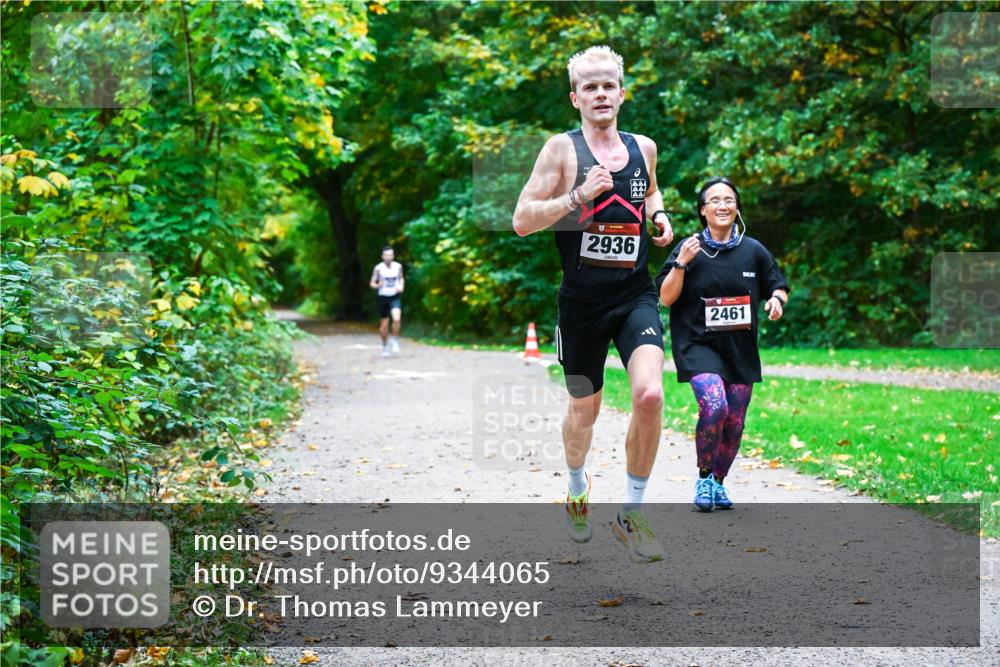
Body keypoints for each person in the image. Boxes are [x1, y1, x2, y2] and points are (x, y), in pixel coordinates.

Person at [513, 45, 674, 563]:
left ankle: (632, 513)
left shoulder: (643, 147)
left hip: (634, 293)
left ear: (622, 93)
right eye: (590, 87)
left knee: (650, 395)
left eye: (609, 85)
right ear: (575, 97)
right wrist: (577, 197)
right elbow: (522, 219)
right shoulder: (560, 150)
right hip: (580, 303)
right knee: (585, 410)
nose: (601, 94)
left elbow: (649, 192)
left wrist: (659, 217)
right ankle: (578, 488)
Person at [656, 177, 789, 511]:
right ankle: (703, 477)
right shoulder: (689, 248)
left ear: (737, 208)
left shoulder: (753, 250)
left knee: (735, 421)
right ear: (703, 210)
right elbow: (665, 297)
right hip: (697, 345)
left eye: (729, 200)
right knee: (715, 406)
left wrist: (776, 301)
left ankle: (718, 483)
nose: (722, 205)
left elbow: (779, 285)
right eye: (714, 200)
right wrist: (681, 264)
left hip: (740, 349)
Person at [370, 246, 404, 358]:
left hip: (394, 296)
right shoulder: (378, 268)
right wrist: (377, 285)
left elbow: (401, 278)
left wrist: (401, 285)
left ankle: (394, 340)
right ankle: (385, 346)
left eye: (390, 255)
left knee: (397, 319)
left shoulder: (398, 266)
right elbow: (372, 283)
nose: (388, 257)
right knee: (384, 326)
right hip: (383, 297)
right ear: (382, 256)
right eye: (386, 255)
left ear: (393, 256)